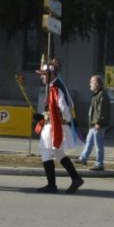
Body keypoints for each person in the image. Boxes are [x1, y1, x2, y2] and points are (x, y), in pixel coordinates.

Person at [35, 57, 84, 194]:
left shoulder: (56, 88)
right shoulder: (57, 86)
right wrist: (45, 116)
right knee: (58, 152)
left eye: (44, 75)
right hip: (54, 124)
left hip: (54, 126)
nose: (42, 77)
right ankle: (76, 178)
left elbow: (65, 108)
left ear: (52, 75)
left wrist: (64, 120)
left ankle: (52, 185)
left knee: (45, 150)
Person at [77, 75, 111, 171]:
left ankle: (99, 164)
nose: (90, 84)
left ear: (97, 84)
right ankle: (83, 158)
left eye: (91, 82)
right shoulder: (97, 94)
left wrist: (99, 122)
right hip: (94, 124)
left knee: (98, 144)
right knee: (89, 141)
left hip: (98, 124)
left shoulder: (102, 95)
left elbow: (102, 111)